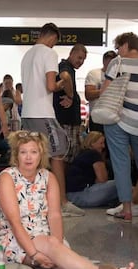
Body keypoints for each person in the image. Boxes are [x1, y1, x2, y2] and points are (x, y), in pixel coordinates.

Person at [0, 130, 134, 269]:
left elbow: (55, 215)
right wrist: (35, 254)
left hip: (45, 236)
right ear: (16, 155)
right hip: (13, 238)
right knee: (58, 254)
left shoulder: (48, 177)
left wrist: (57, 246)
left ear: (41, 155)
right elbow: (14, 222)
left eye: (34, 152)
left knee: (63, 264)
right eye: (23, 152)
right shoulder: (7, 178)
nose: (28, 157)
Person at [20, 22, 84, 217]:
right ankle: (62, 203)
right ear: (52, 38)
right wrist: (63, 81)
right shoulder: (49, 53)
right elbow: (50, 85)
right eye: (55, 42)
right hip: (43, 112)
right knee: (59, 152)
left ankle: (36, 201)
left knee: (34, 156)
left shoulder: (27, 55)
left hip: (27, 113)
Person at [99, 32, 138, 222]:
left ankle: (127, 210)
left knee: (121, 164)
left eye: (118, 47)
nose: (117, 51)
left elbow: (106, 92)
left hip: (118, 121)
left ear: (125, 45)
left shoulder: (118, 63)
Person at [53, 43, 88, 164]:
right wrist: (71, 96)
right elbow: (65, 77)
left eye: (83, 59)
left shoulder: (68, 67)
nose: (81, 61)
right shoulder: (65, 66)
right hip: (66, 122)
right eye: (79, 58)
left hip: (68, 121)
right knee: (67, 156)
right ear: (71, 54)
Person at [65, 131, 118, 207]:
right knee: (121, 183)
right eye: (101, 143)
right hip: (83, 195)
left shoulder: (81, 154)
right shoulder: (94, 154)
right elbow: (103, 179)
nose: (103, 146)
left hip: (70, 196)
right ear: (92, 143)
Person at [84, 50, 117, 133]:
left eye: (113, 61)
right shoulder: (94, 74)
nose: (110, 64)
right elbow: (88, 95)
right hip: (97, 117)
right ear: (103, 61)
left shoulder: (120, 76)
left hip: (114, 117)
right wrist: (106, 90)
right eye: (108, 61)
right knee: (96, 143)